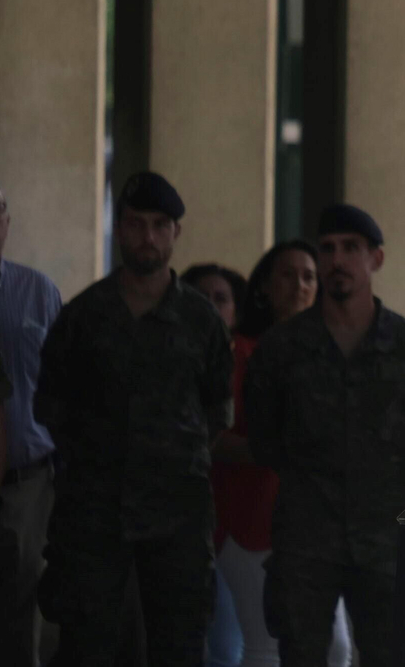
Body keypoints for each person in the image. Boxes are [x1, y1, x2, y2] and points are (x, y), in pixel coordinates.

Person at [35, 171, 234, 667]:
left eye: (159, 225)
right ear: (119, 229)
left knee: (180, 645)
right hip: (92, 514)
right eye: (136, 223)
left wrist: (170, 459)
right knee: (86, 644)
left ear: (175, 232)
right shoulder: (83, 316)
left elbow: (217, 413)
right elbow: (51, 407)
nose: (148, 236)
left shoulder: (202, 321)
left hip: (178, 516)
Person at [244, 205, 405, 667]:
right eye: (328, 249)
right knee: (300, 656)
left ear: (376, 259)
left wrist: (375, 472)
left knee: (390, 656)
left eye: (351, 248)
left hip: (386, 538)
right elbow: (263, 437)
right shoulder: (281, 349)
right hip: (304, 538)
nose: (337, 260)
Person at [209, 241, 352, 667]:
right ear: (265, 287)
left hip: (321, 524)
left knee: (335, 649)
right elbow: (212, 437)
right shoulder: (238, 353)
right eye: (288, 275)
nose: (300, 285)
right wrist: (279, 449)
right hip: (253, 517)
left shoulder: (333, 352)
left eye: (309, 276)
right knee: (265, 647)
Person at [0, 168, 60, 667]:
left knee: (19, 631)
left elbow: (68, 389)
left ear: (7, 221)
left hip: (27, 489)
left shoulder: (39, 292)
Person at [182, 264, 250, 667]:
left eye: (220, 299)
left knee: (231, 645)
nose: (209, 307)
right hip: (177, 521)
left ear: (236, 311)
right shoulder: (164, 359)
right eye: (200, 297)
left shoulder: (252, 359)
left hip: (240, 521)